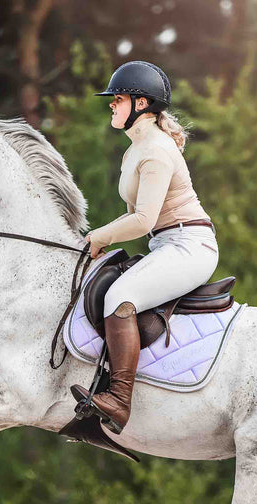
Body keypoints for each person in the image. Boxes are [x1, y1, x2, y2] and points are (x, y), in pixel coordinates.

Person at [70, 61, 220, 434]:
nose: (111, 105)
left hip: (190, 244)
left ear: (140, 104)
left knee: (120, 297)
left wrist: (100, 236)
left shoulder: (155, 150)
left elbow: (143, 220)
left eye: (117, 99)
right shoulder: (134, 149)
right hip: (167, 244)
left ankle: (120, 400)